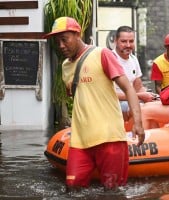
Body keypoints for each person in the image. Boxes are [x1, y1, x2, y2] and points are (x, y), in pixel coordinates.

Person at [44, 17, 145, 190]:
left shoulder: (101, 54)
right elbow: (79, 97)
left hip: (110, 138)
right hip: (80, 141)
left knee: (112, 192)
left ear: (78, 35)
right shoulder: (65, 66)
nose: (61, 45)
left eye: (64, 39)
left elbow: (129, 89)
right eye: (57, 41)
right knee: (73, 187)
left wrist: (138, 123)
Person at [112, 26, 156, 121]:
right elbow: (108, 94)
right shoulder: (110, 59)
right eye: (123, 41)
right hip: (115, 103)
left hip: (132, 99)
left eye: (131, 41)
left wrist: (152, 96)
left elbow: (138, 87)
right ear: (116, 41)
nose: (128, 45)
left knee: (156, 104)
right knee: (142, 109)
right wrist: (140, 96)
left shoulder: (133, 59)